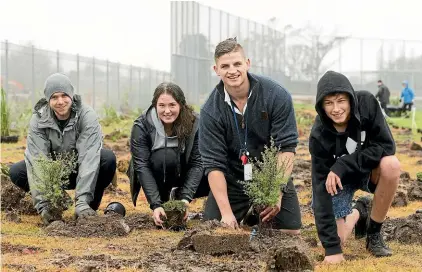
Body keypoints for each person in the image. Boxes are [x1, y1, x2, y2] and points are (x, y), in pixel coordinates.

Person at [198, 37, 302, 233]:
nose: (232, 70)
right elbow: (213, 165)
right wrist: (226, 214)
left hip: (270, 174)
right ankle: (244, 215)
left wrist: (275, 191)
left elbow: (286, 148)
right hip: (233, 178)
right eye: (225, 66)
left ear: (247, 63)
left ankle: (255, 214)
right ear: (216, 70)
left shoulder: (276, 95)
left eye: (237, 63)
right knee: (214, 231)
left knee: (290, 231)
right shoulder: (210, 111)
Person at [310, 71, 400, 264]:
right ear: (321, 106)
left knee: (391, 164)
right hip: (339, 182)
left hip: (368, 171)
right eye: (328, 103)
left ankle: (374, 233)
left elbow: (387, 146)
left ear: (350, 99)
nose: (336, 109)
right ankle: (360, 210)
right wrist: (332, 248)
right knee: (337, 240)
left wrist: (343, 164)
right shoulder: (319, 135)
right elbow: (320, 189)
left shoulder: (367, 103)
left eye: (341, 100)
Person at [9, 73, 116, 225]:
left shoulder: (86, 116)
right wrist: (45, 205)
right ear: (48, 100)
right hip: (55, 173)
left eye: (64, 95)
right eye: (54, 97)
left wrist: (82, 201)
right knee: (17, 171)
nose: (60, 101)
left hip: (79, 168)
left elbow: (88, 158)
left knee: (107, 159)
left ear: (71, 95)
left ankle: (87, 207)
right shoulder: (38, 119)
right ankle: (58, 202)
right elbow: (39, 162)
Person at [128, 82, 209, 227]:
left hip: (184, 172)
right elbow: (141, 166)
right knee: (165, 155)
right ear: (155, 105)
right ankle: (163, 201)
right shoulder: (141, 126)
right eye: (161, 106)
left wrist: (185, 199)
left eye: (172, 105)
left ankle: (177, 195)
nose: (167, 111)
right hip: (156, 173)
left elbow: (198, 162)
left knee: (215, 168)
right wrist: (155, 204)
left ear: (181, 105)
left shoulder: (195, 123)